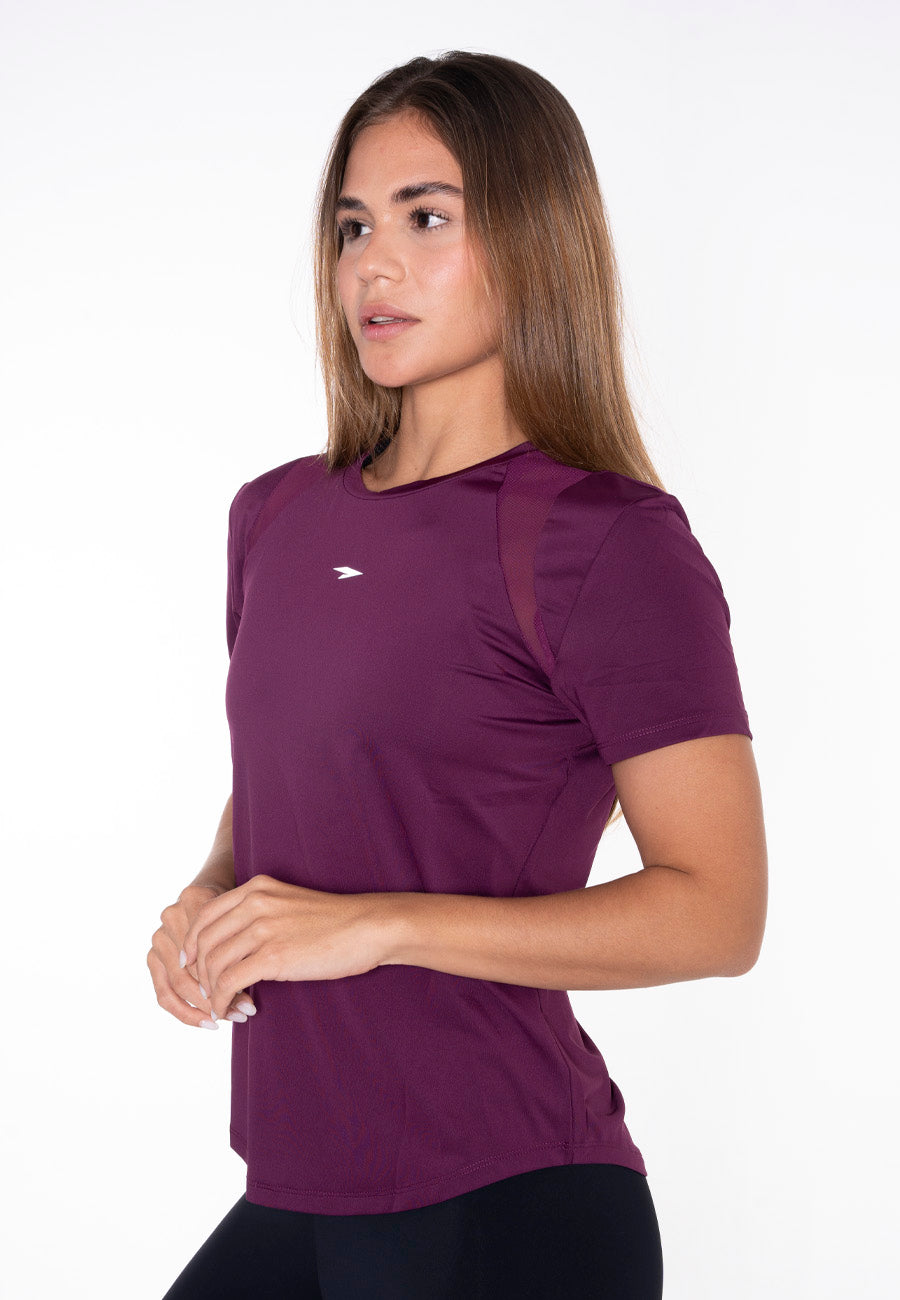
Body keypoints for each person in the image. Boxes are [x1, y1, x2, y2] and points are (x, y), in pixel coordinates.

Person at [148, 49, 767, 1299]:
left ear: (532, 241)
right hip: (299, 1183)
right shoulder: (275, 518)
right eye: (353, 227)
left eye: (426, 218)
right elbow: (314, 764)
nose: (372, 265)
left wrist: (380, 925)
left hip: (502, 1202)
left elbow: (720, 911)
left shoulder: (604, 541)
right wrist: (214, 892)